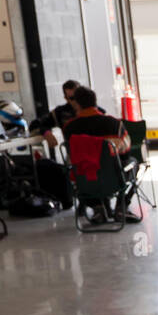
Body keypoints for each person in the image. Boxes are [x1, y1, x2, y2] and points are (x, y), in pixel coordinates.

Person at [63, 86, 136, 222]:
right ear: (95, 101)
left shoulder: (69, 128)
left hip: (86, 181)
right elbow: (126, 152)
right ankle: (121, 207)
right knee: (132, 162)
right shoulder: (114, 124)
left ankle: (98, 208)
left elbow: (71, 155)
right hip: (113, 178)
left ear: (77, 104)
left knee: (76, 169)